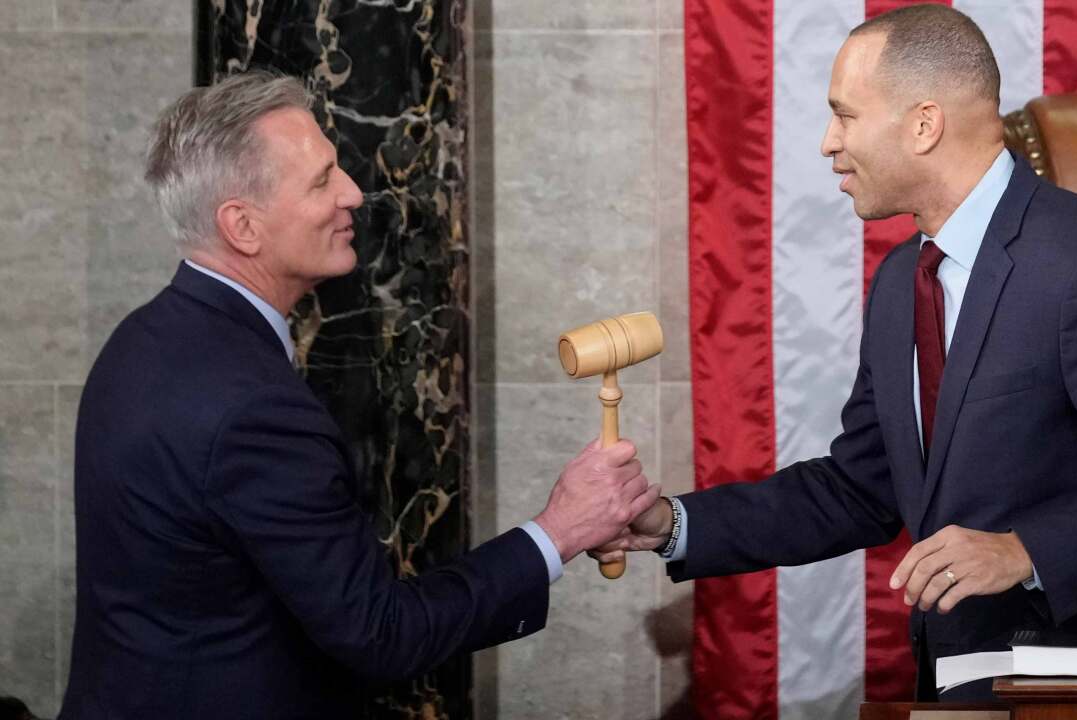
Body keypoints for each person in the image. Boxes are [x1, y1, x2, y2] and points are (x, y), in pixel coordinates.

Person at [593, 4, 1077, 701]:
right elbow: (861, 488)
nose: (827, 142)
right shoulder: (903, 279)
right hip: (962, 679)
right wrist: (673, 525)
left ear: (923, 123)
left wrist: (1023, 551)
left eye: (845, 114)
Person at [60, 71, 660, 719]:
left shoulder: (141, 339)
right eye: (321, 180)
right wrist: (560, 530)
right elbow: (382, 635)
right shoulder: (253, 409)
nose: (352, 192)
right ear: (243, 226)